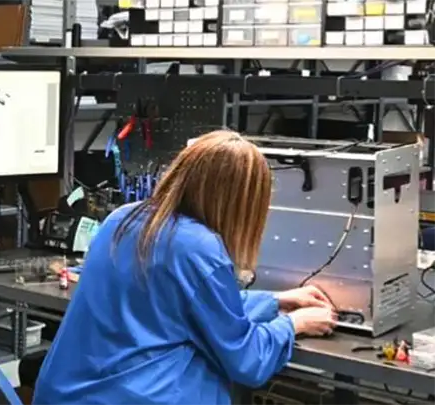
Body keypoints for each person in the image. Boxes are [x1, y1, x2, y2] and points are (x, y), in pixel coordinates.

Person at [32, 130, 337, 405]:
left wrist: (276, 300)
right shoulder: (201, 248)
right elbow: (247, 361)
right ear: (241, 204)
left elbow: (184, 308)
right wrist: (295, 324)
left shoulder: (122, 219)